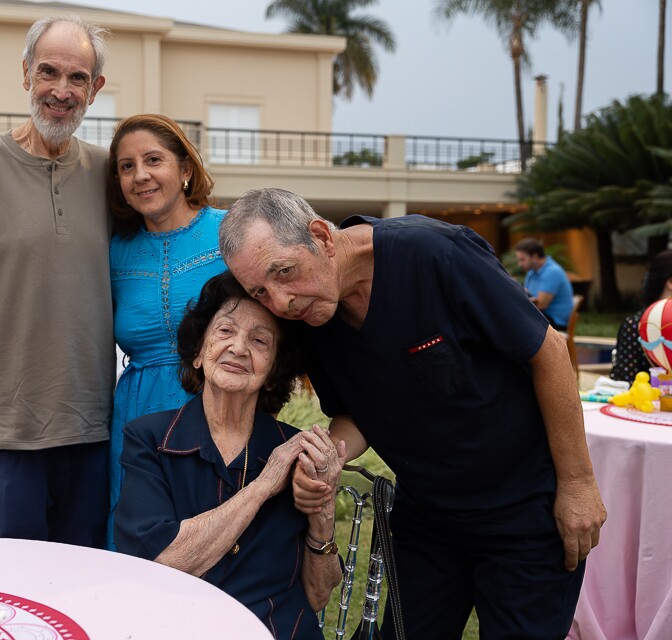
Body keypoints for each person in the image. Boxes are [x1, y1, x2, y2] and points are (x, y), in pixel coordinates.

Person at [219, 188, 606, 640]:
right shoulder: (311, 316)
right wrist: (329, 456)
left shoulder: (433, 252)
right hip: (426, 514)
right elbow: (359, 411)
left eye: (284, 272)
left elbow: (549, 352)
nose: (281, 302)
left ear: (321, 236)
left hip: (521, 509)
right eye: (260, 291)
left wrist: (577, 484)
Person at [0, 15, 114, 547]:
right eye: (48, 72)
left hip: (93, 427)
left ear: (95, 89)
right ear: (26, 73)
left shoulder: (109, 173)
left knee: (88, 584)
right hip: (4, 430)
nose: (61, 90)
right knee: (17, 588)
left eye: (77, 78)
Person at [115, 272, 343, 637]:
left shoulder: (297, 452)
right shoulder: (151, 440)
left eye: (259, 340)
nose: (238, 347)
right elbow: (161, 562)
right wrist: (264, 484)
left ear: (272, 374)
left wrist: (322, 512)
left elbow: (316, 597)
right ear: (199, 354)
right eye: (225, 331)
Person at [106, 114, 227, 546]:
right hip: (134, 416)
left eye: (153, 160)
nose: (140, 175)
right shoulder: (113, 249)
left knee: (210, 541)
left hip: (216, 408)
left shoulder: (230, 232)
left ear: (185, 169)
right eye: (126, 166)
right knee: (137, 546)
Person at [611, 249, 672, 384]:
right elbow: (622, 382)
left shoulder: (634, 323)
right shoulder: (636, 325)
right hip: (645, 402)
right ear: (670, 282)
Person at [515, 238, 574, 331]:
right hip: (543, 317)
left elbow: (541, 305)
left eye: (522, 259)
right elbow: (527, 294)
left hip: (556, 322)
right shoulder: (532, 272)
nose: (520, 264)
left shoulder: (552, 272)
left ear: (534, 256)